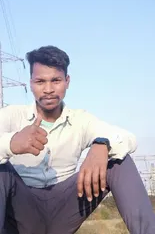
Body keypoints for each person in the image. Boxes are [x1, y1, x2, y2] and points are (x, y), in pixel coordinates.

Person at [0, 46, 154, 234]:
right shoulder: (11, 116)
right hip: (20, 211)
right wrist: (11, 144)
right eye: (40, 81)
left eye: (56, 80)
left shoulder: (81, 120)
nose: (48, 89)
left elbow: (129, 139)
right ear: (31, 83)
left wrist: (101, 144)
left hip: (65, 210)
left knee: (118, 160)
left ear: (67, 82)